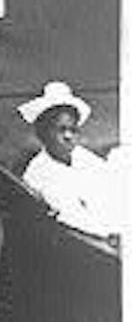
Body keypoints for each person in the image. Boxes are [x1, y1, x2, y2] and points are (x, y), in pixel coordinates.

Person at [18, 82, 121, 240]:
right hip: (73, 244)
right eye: (60, 129)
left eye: (72, 130)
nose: (68, 136)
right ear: (44, 133)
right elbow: (67, 219)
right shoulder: (36, 175)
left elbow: (110, 190)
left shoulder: (83, 158)